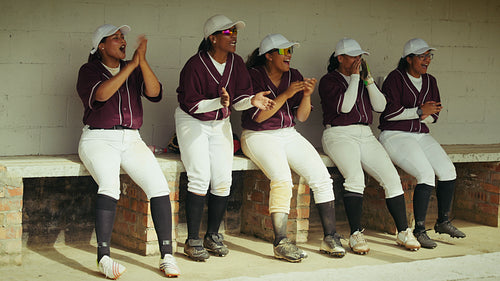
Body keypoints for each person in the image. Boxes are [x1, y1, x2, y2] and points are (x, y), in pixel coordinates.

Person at [76, 24, 180, 278]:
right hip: (98, 139)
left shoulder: (132, 68)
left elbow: (155, 92)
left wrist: (141, 62)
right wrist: (131, 66)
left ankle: (167, 256)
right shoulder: (89, 69)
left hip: (132, 138)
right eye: (116, 38)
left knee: (159, 187)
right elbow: (101, 94)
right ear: (101, 45)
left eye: (123, 37)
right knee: (109, 186)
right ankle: (103, 258)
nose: (123, 40)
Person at [175, 15, 275, 262]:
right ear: (212, 38)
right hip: (193, 121)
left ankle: (212, 236)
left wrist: (251, 100)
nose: (234, 37)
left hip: (219, 122)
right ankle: (192, 240)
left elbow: (239, 100)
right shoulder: (195, 64)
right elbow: (191, 104)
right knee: (199, 176)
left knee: (222, 179)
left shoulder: (236, 62)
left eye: (234, 33)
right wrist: (218, 102)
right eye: (228, 33)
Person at [241, 34, 346, 263]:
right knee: (282, 179)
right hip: (258, 136)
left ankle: (329, 237)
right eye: (283, 51)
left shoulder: (294, 75)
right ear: (268, 56)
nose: (288, 54)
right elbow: (259, 118)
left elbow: (301, 115)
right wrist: (286, 94)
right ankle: (280, 242)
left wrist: (306, 95)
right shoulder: (254, 76)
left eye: (290, 51)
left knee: (322, 177)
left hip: (288, 133)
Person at [318, 38, 421, 255]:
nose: (358, 60)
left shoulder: (363, 79)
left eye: (360, 56)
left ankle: (403, 231)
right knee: (355, 178)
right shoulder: (330, 80)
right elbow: (345, 108)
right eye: (354, 56)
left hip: (365, 133)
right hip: (338, 134)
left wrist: (369, 81)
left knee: (392, 178)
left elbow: (381, 106)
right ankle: (356, 233)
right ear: (340, 58)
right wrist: (355, 78)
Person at [378, 38, 466, 249]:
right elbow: (389, 114)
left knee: (448, 170)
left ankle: (443, 221)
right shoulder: (395, 78)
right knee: (425, 174)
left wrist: (422, 114)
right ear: (408, 59)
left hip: (420, 134)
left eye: (429, 56)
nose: (427, 60)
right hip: (395, 135)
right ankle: (419, 230)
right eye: (421, 56)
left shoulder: (430, 81)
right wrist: (419, 112)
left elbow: (434, 115)